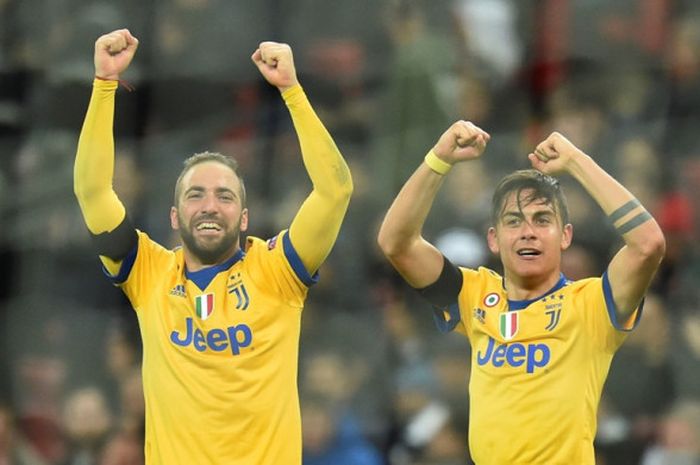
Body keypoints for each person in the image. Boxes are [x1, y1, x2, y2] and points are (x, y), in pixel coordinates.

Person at [73, 29, 353, 465]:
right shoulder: (147, 273)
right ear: (173, 216)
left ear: (244, 219)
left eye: (225, 196)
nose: (209, 207)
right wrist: (104, 85)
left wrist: (292, 92)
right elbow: (93, 191)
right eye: (195, 195)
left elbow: (334, 190)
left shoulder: (277, 271)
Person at [377, 120, 665, 464]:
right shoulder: (473, 295)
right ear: (494, 239)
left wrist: (576, 162)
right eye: (513, 221)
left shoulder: (592, 305)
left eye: (542, 220)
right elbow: (396, 243)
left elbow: (648, 245)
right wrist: (439, 159)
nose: (528, 232)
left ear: (565, 236)